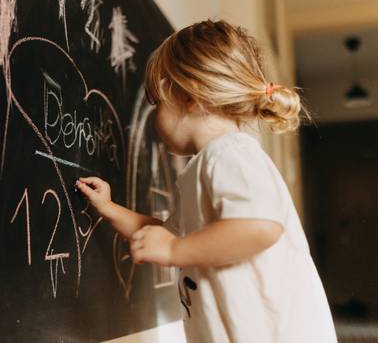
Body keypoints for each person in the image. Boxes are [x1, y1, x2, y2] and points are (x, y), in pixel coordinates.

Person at [75, 19, 338, 342]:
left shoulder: (230, 154)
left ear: (191, 97)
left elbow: (260, 226)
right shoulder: (208, 165)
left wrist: (175, 251)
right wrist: (109, 207)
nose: (155, 114)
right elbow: (163, 233)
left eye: (157, 103)